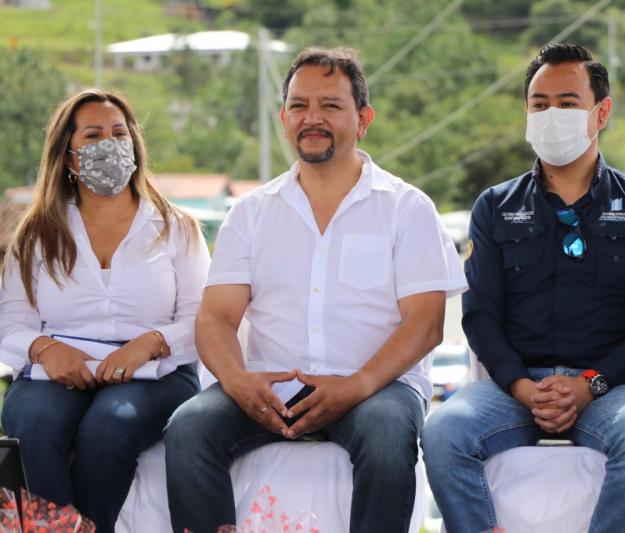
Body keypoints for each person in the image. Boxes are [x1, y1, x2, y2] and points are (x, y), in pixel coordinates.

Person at [164, 47, 466, 533]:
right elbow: (216, 318)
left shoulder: (407, 209)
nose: (312, 118)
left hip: (376, 389)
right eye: (299, 106)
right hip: (270, 388)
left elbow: (425, 325)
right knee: (188, 430)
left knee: (386, 439)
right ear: (283, 119)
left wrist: (356, 385)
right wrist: (238, 381)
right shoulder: (250, 214)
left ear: (363, 119)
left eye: (330, 105)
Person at [421, 43, 625, 533]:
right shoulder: (494, 207)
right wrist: (522, 387)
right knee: (444, 432)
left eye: (567, 103)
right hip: (516, 390)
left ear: (601, 113)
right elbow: (480, 316)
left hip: (611, 389)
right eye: (539, 105)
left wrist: (590, 385)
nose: (551, 114)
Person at [0, 89, 209, 532]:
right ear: (68, 156)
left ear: (135, 144)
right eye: (93, 135)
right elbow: (11, 322)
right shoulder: (37, 233)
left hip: (156, 374)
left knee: (109, 427)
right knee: (33, 425)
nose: (109, 145)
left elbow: (202, 320)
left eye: (119, 133)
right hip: (56, 370)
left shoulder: (178, 228)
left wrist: (150, 344)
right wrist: (44, 350)